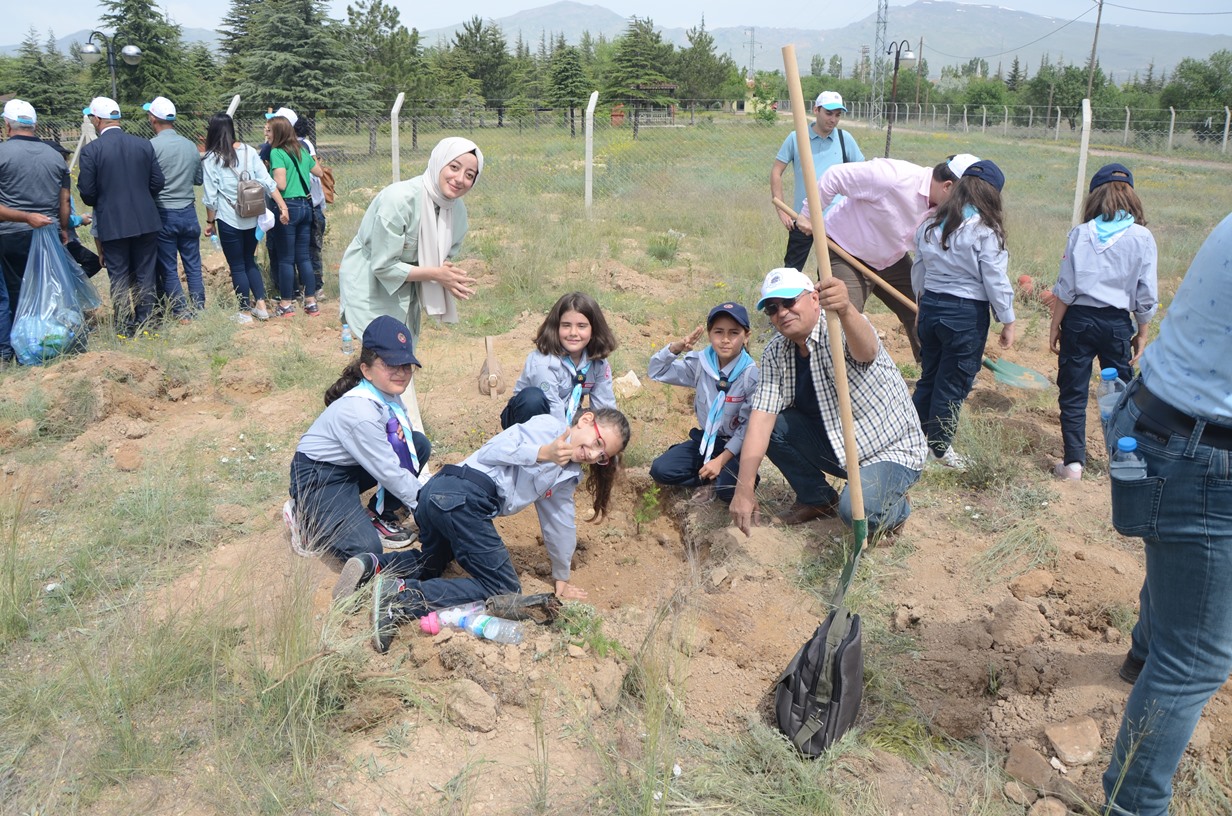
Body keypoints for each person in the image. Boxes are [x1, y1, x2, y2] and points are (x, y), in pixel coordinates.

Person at [1100, 212, 1232, 816]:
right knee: (1197, 658)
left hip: (1159, 418)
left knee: (1182, 563)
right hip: (1199, 451)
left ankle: (1143, 654)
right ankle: (1131, 806)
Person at [365, 406, 631, 652]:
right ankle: (400, 598)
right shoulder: (550, 427)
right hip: (463, 496)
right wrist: (541, 453)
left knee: (434, 562)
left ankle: (372, 567)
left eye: (603, 456)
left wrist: (561, 576)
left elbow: (559, 520)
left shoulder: (568, 473)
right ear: (586, 420)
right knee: (503, 588)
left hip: (440, 495)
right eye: (598, 443)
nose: (594, 454)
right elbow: (495, 449)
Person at [730, 267, 926, 533]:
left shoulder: (839, 327)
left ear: (814, 298)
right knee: (774, 425)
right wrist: (743, 490)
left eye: (789, 302)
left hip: (888, 449)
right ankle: (817, 499)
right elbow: (761, 419)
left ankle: (896, 505)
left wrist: (846, 309)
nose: (782, 312)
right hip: (840, 444)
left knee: (856, 514)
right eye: (772, 309)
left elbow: (867, 350)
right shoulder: (776, 352)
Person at [287, 315, 431, 583]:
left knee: (417, 444)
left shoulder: (386, 392)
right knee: (367, 550)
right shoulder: (359, 412)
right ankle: (307, 516)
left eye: (406, 365)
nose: (401, 372)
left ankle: (378, 514)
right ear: (366, 369)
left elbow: (400, 451)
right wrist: (429, 510)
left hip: (353, 466)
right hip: (320, 477)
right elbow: (388, 471)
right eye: (390, 364)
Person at [798, 153, 981, 362]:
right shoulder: (894, 177)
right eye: (962, 197)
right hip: (845, 251)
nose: (962, 205)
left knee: (923, 310)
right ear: (947, 186)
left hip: (890, 258)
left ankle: (934, 370)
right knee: (844, 316)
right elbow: (835, 176)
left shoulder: (942, 207)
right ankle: (839, 376)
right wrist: (808, 215)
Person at [1049, 163, 1158, 481]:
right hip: (1116, 325)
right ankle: (1122, 458)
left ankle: (1073, 464)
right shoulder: (1142, 237)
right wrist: (1143, 330)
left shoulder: (1080, 234)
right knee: (1120, 393)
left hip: (1080, 322)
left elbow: (1065, 288)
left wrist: (1056, 325)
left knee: (1073, 390)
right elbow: (1146, 292)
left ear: (1094, 196)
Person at [910, 160, 1015, 470]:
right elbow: (994, 278)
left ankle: (911, 439)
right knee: (952, 383)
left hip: (931, 308)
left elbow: (919, 270)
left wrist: (920, 306)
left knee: (929, 377)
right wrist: (1007, 318)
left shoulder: (930, 224)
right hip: (965, 315)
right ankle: (939, 450)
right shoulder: (984, 230)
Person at [338, 136, 482, 340]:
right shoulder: (399, 201)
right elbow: (383, 265)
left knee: (402, 354)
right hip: (368, 285)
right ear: (438, 162)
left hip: (408, 288)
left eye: (469, 175)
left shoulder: (456, 212)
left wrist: (445, 274)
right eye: (454, 167)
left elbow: (445, 257)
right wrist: (436, 274)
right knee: (381, 357)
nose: (459, 179)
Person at [648, 302, 759, 504]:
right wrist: (675, 348)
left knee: (729, 491)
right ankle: (708, 476)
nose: (725, 340)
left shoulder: (750, 376)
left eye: (734, 333)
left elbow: (748, 427)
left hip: (736, 447)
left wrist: (721, 460)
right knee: (660, 470)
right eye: (718, 332)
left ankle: (722, 479)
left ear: (746, 336)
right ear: (709, 334)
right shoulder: (701, 364)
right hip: (707, 441)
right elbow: (657, 371)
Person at [78, 96, 165, 338]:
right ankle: (147, 321)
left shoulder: (91, 151)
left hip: (113, 223)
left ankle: (125, 326)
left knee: (118, 275)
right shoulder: (143, 145)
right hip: (146, 220)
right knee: (145, 272)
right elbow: (158, 181)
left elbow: (87, 193)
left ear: (97, 119)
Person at [0, 99, 70, 361]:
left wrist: (25, 217)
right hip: (49, 233)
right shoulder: (55, 156)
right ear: (35, 125)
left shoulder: (2, 154)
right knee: (47, 289)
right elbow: (64, 200)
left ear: (7, 125)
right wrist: (64, 230)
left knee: (14, 293)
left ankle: (16, 349)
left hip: (10, 235)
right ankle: (48, 341)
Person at [202, 112, 287, 322]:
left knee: (237, 265)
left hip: (228, 218)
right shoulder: (249, 151)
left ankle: (244, 311)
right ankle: (261, 305)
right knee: (250, 259)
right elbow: (267, 182)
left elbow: (211, 198)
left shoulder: (211, 158)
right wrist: (282, 205)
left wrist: (210, 222)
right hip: (252, 215)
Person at [770, 91, 863, 272]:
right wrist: (781, 209)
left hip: (836, 221)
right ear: (816, 110)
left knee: (831, 276)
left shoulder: (845, 140)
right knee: (791, 273)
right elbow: (776, 172)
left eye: (837, 115)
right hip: (802, 218)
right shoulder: (796, 137)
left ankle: (819, 302)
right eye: (828, 113)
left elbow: (862, 176)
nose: (833, 120)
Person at [502, 291, 618, 428]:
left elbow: (604, 406)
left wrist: (603, 438)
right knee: (533, 399)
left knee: (591, 420)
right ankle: (527, 446)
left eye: (581, 326)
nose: (573, 333)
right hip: (529, 415)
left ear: (594, 331)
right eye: (566, 325)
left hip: (567, 412)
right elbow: (553, 406)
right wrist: (565, 444)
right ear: (555, 328)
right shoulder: (544, 363)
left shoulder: (598, 363)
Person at [145, 96, 204, 321]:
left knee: (168, 265)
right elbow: (198, 179)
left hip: (164, 212)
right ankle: (199, 307)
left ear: (153, 119)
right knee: (193, 263)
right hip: (189, 212)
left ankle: (181, 311)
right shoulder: (189, 145)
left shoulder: (151, 147)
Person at [267, 116, 323, 317]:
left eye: (269, 131)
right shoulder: (301, 149)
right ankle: (310, 302)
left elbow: (280, 184)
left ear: (278, 133)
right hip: (306, 206)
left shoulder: (277, 153)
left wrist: (268, 180)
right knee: (304, 257)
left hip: (287, 208)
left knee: (285, 259)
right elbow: (319, 172)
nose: (267, 135)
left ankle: (286, 304)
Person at [294, 115, 328, 300]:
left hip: (306, 204)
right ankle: (316, 287)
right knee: (314, 248)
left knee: (305, 249)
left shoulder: (298, 147)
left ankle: (308, 287)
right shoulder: (308, 145)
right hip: (315, 204)